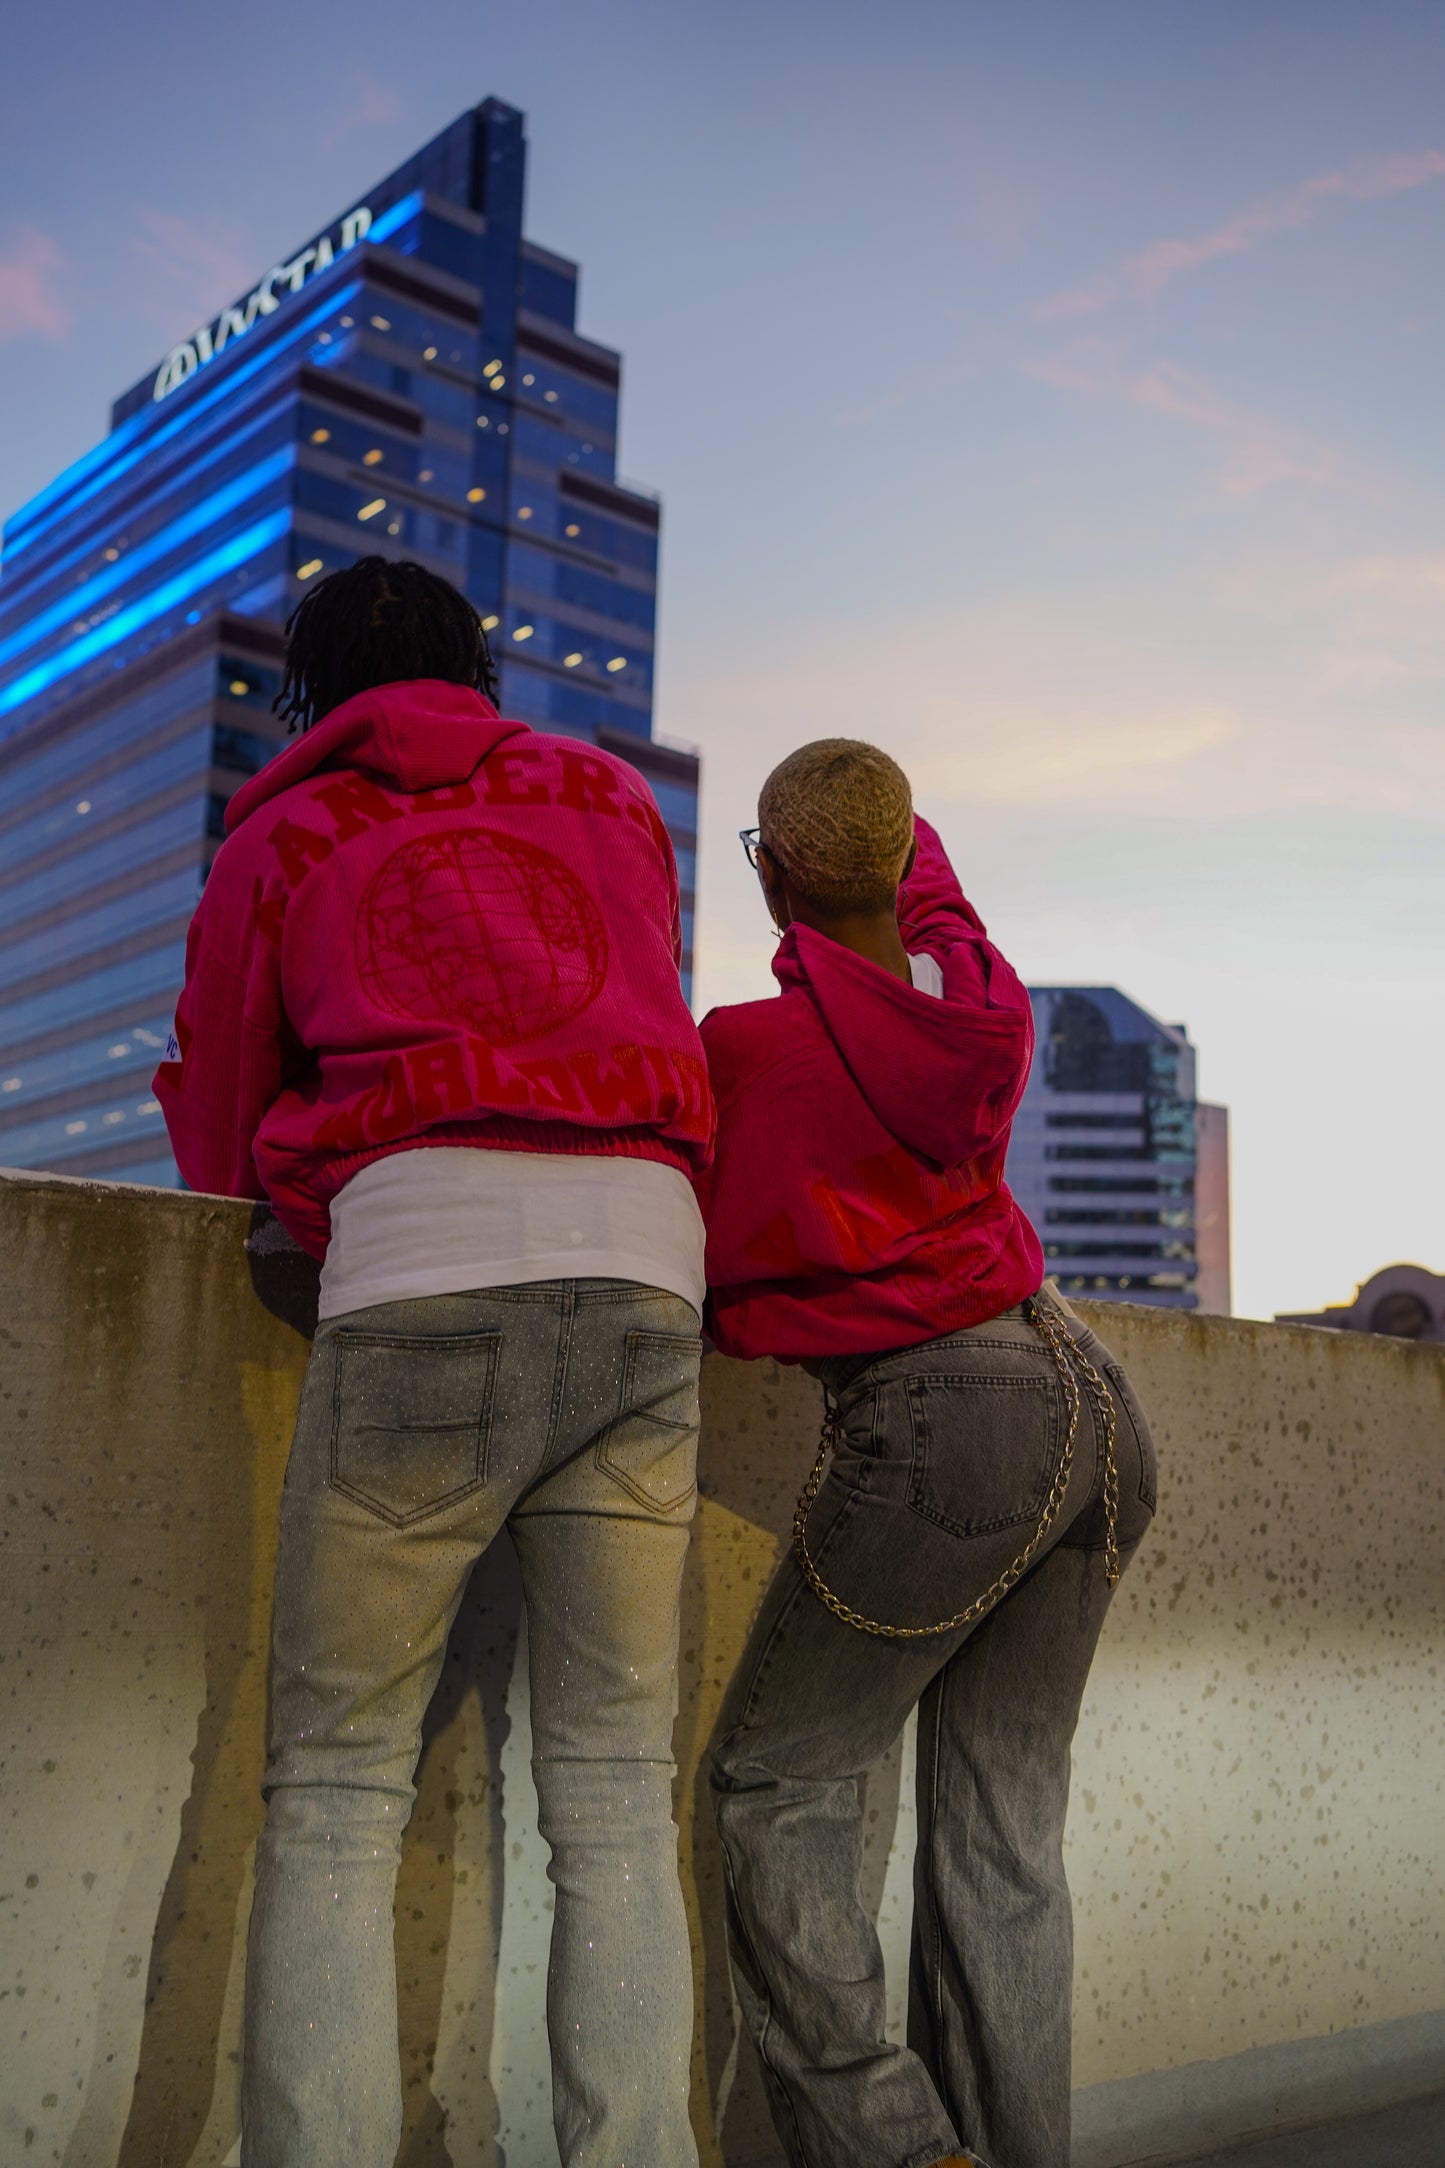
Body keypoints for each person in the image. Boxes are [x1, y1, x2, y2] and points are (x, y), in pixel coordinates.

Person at [154, 557, 713, 2168]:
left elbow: (221, 1097)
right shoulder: (608, 801)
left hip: (419, 1260)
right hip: (644, 1263)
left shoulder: (282, 827)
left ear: (315, 687)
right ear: (474, 665)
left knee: (333, 1795)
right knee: (613, 1797)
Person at [697, 739, 1157, 2168]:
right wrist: (884, 862)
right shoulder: (983, 1012)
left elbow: (702, 1264)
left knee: (767, 1789)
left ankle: (900, 2150)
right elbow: (920, 903)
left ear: (772, 874)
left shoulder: (746, 1053)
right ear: (910, 872)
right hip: (1092, 1401)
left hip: (943, 1417)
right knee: (1002, 1845)